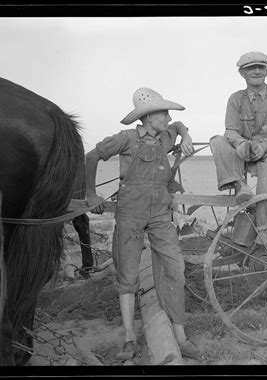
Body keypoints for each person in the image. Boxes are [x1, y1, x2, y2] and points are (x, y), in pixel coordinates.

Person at [85, 88, 200, 361]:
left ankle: (181, 339)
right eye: (164, 112)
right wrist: (90, 193)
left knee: (175, 269)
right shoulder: (125, 139)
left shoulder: (166, 135)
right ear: (149, 117)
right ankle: (129, 340)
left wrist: (186, 136)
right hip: (130, 215)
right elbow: (91, 157)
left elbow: (180, 124)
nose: (168, 117)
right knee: (128, 276)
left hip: (161, 215)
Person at [209, 51, 267, 246]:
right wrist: (241, 144)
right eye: (250, 68)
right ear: (242, 74)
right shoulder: (235, 99)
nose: (256, 71)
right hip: (244, 152)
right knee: (217, 141)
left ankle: (265, 228)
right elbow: (230, 130)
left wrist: (264, 147)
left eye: (260, 67)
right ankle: (240, 186)